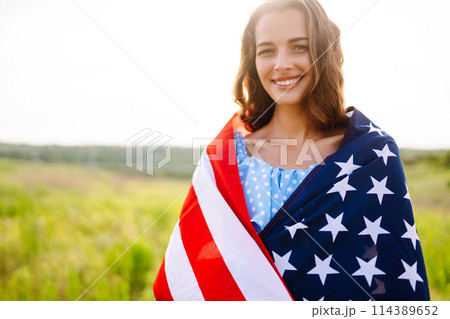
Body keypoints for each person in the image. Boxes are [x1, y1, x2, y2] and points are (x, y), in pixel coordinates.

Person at [153, 0, 430, 301]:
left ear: (325, 51)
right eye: (267, 50)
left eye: (299, 47)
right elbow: (197, 270)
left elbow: (390, 274)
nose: (282, 64)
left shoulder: (372, 156)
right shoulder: (225, 157)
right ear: (252, 60)